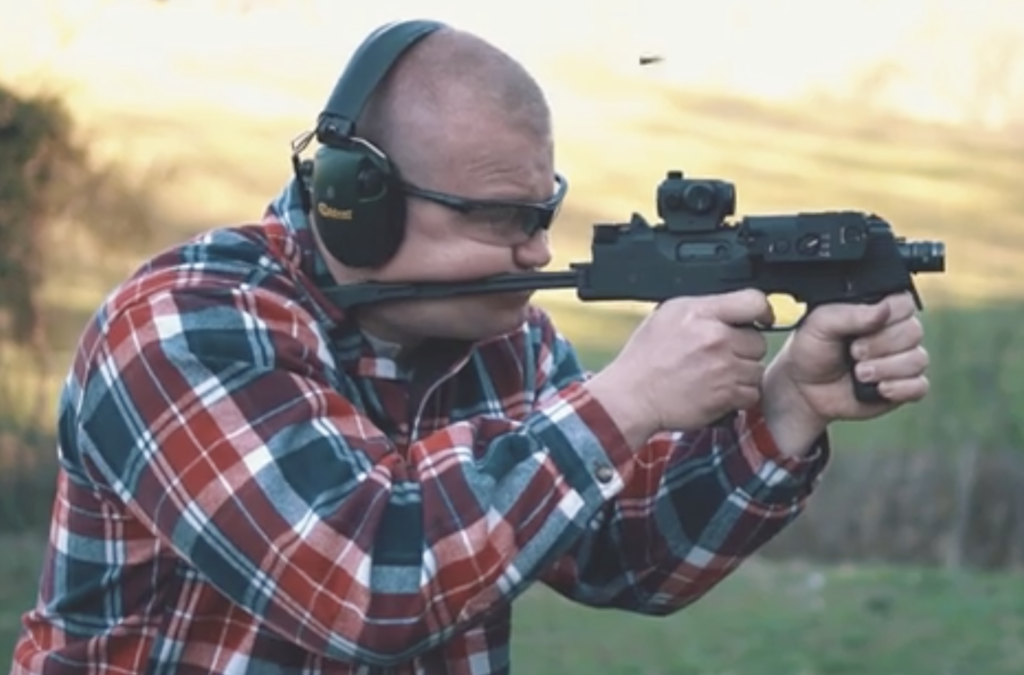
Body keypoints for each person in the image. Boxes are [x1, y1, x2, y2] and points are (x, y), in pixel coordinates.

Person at [11, 19, 930, 675]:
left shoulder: (505, 340)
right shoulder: (183, 326)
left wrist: (788, 403)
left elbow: (628, 557)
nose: (534, 254)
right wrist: (623, 403)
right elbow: (368, 587)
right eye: (500, 219)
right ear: (355, 199)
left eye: (543, 215)